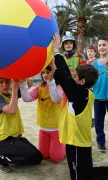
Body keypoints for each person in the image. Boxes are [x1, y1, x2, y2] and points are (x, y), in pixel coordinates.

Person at [52, 33, 108, 180]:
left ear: (82, 81)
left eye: (75, 76)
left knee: (78, 177)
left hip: (77, 144)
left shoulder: (79, 94)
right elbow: (63, 77)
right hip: (80, 141)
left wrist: (56, 51)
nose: (72, 77)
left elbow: (65, 76)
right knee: (87, 171)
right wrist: (53, 69)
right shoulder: (85, 93)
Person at [0, 76, 43, 173]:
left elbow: (29, 84)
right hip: (4, 142)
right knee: (35, 158)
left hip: (15, 138)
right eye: (0, 82)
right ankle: (2, 158)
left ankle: (9, 153)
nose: (4, 85)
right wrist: (14, 88)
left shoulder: (10, 93)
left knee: (38, 157)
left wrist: (19, 74)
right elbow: (12, 110)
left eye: (7, 81)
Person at [20, 66, 66, 163]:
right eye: (43, 73)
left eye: (48, 72)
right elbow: (27, 98)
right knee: (44, 155)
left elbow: (56, 99)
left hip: (57, 128)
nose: (45, 75)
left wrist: (51, 82)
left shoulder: (60, 87)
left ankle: (65, 145)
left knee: (55, 159)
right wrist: (23, 82)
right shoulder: (39, 88)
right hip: (43, 127)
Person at [92, 38, 108, 153]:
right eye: (99, 45)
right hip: (97, 97)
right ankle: (101, 142)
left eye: (104, 45)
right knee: (98, 122)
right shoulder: (94, 63)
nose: (101, 47)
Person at [86, 45, 98, 127]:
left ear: (95, 52)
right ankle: (89, 118)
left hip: (95, 86)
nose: (89, 53)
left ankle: (94, 119)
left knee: (94, 103)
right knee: (88, 102)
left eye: (91, 51)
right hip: (86, 86)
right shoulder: (85, 62)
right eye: (88, 51)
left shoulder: (97, 62)